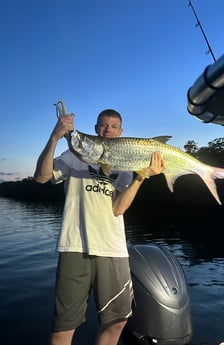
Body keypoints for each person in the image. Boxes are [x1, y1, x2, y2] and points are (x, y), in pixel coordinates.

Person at [34, 108, 165, 345]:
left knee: (117, 322)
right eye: (104, 125)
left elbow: (118, 208)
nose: (108, 130)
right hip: (75, 246)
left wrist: (141, 176)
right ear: (96, 129)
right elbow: (41, 177)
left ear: (121, 132)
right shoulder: (73, 156)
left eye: (114, 127)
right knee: (64, 326)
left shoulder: (125, 164)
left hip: (113, 248)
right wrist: (55, 137)